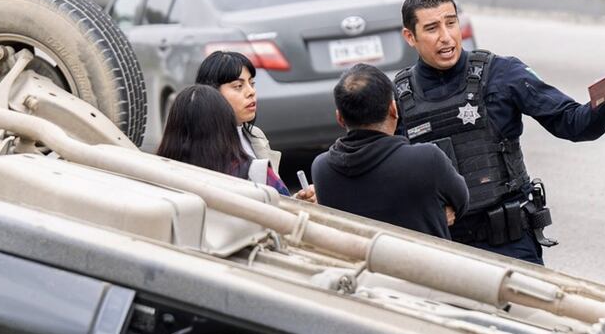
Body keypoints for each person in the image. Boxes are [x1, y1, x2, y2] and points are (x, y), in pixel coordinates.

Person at [393, 0, 605, 263]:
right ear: (410, 36)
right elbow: (385, 177)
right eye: (432, 28)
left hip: (510, 243)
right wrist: (424, 208)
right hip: (442, 250)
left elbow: (574, 124)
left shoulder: (502, 74)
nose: (446, 36)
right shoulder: (398, 98)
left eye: (451, 23)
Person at [312, 64, 467, 239]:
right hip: (424, 257)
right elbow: (461, 202)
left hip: (359, 257)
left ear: (340, 118)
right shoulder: (427, 159)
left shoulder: (322, 168)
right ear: (393, 109)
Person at [195, 51, 316, 202]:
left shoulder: (255, 135)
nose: (251, 92)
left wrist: (298, 201)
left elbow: (272, 199)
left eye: (252, 84)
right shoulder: (201, 144)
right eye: (238, 86)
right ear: (212, 92)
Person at [157, 84, 290, 195]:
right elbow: (287, 207)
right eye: (238, 86)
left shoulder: (156, 175)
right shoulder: (257, 172)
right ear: (226, 125)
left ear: (172, 129)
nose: (251, 91)